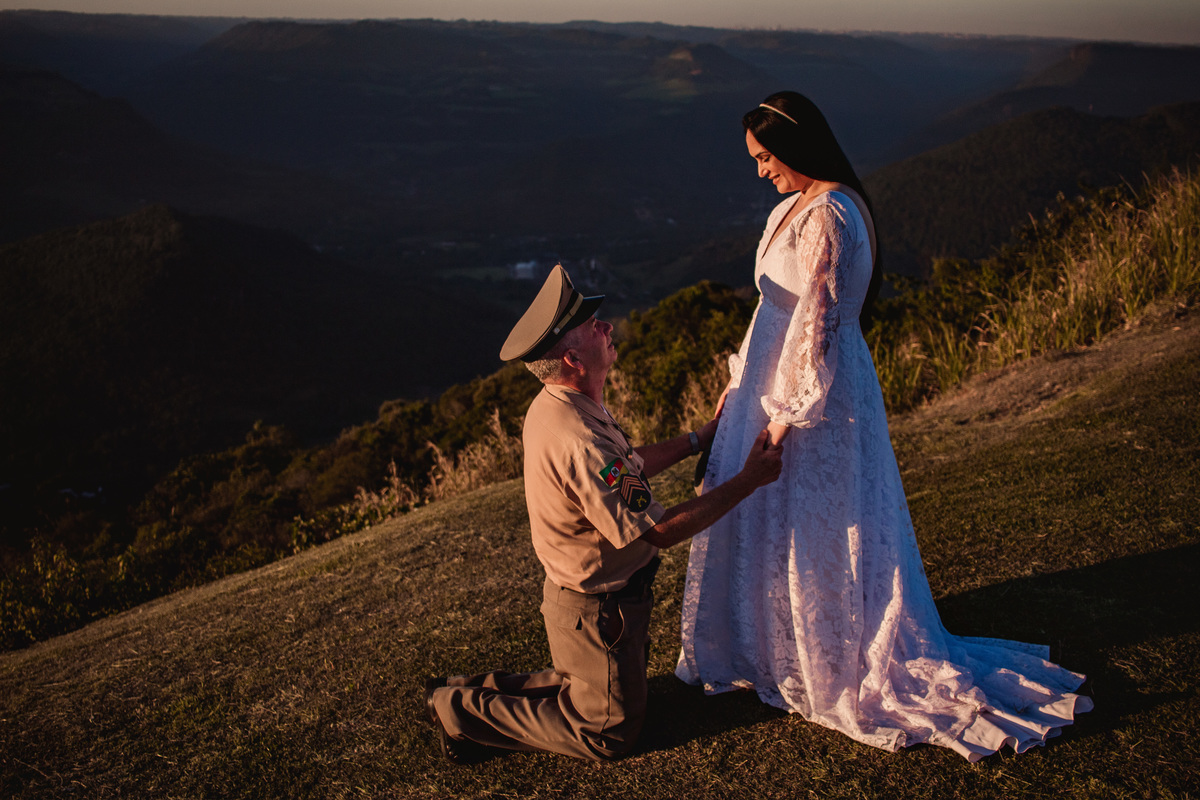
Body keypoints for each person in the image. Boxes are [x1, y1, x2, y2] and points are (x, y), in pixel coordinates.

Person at [676, 91, 1093, 761]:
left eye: (766, 156)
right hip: (766, 385)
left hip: (815, 400)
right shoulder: (791, 208)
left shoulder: (834, 215)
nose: (761, 170)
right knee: (775, 525)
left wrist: (781, 423)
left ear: (797, 146)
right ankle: (774, 648)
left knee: (819, 522)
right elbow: (772, 314)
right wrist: (738, 385)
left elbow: (818, 330)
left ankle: (832, 654)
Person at [424, 264, 784, 764]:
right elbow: (659, 530)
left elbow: (628, 465)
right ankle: (457, 710)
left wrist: (698, 438)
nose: (608, 327)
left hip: (591, 604)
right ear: (573, 358)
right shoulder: (581, 439)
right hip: (596, 611)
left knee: (584, 688)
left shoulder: (563, 403)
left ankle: (463, 689)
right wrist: (748, 480)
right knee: (607, 733)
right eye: (594, 326)